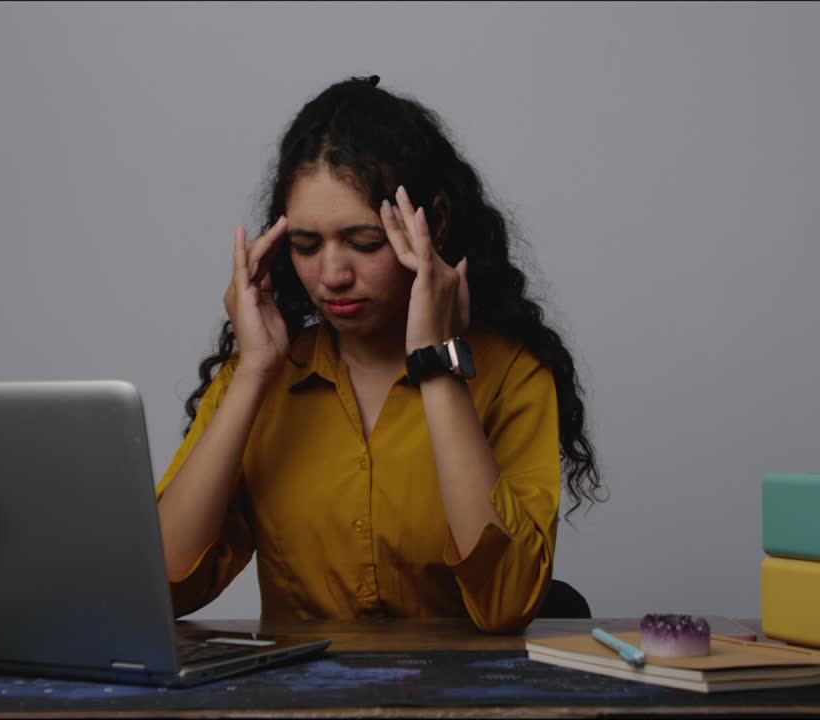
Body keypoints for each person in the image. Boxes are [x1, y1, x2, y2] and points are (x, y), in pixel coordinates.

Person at [155, 75, 602, 633]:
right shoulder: (266, 373)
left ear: (431, 225)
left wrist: (436, 360)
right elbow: (158, 586)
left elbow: (508, 602)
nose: (333, 275)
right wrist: (252, 373)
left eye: (365, 243)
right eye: (306, 246)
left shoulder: (510, 374)